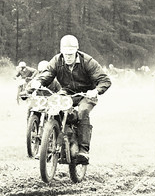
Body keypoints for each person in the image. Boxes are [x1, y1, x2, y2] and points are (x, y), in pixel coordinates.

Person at [35, 34, 111, 164]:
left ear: (76, 50)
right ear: (61, 51)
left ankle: (83, 150)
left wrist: (96, 91)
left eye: (71, 53)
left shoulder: (87, 61)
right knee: (53, 107)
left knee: (83, 112)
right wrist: (39, 81)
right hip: (68, 92)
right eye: (66, 53)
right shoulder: (57, 60)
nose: (68, 56)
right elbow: (47, 73)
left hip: (86, 94)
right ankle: (49, 145)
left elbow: (104, 80)